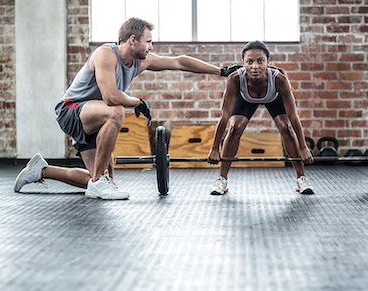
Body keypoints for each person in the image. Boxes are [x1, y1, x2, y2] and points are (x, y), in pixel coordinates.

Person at [13, 17, 240, 200]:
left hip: (94, 116)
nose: (151, 47)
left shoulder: (143, 61)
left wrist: (221, 71)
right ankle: (100, 183)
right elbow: (111, 97)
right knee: (117, 111)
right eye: (148, 41)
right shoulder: (105, 54)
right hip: (71, 110)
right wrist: (138, 102)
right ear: (133, 40)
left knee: (95, 178)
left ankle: (41, 170)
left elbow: (180, 61)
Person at [207, 40, 314, 195]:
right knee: (234, 127)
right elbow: (224, 115)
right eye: (249, 62)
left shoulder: (279, 79)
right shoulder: (235, 79)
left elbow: (293, 115)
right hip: (246, 98)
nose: (255, 66)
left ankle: (301, 178)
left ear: (267, 62)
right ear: (243, 63)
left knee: (286, 127)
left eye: (260, 61)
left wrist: (304, 148)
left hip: (273, 97)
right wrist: (215, 148)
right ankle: (222, 179)